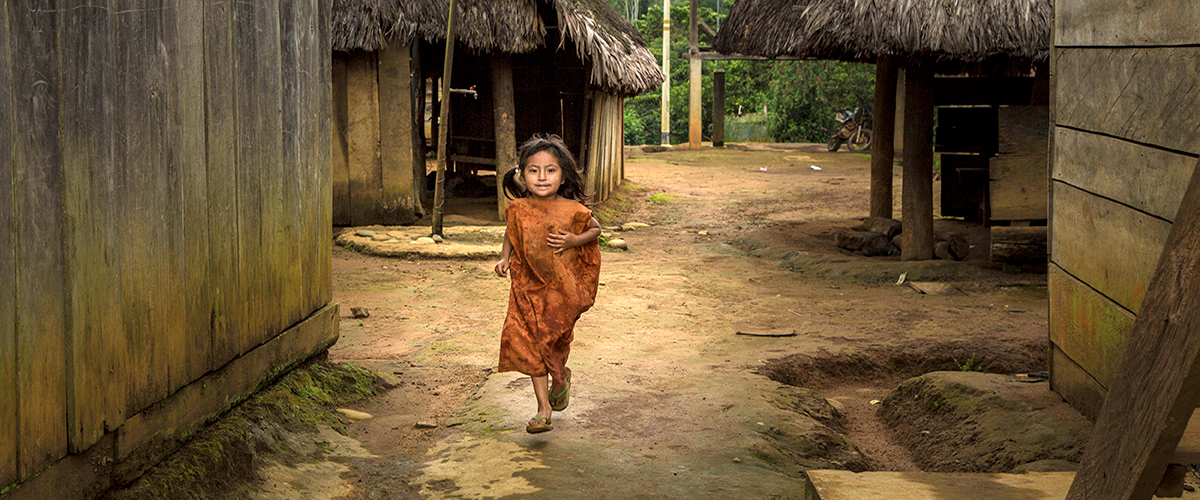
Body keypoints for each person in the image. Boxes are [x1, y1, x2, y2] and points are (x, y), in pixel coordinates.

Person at [494, 134, 601, 434]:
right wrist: (504, 259)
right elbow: (510, 234)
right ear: (522, 174)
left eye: (550, 170)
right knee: (529, 344)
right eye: (533, 170)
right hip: (526, 288)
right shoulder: (518, 209)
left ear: (563, 174)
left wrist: (573, 240)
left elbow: (596, 229)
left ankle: (560, 378)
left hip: (560, 292)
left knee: (554, 343)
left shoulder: (573, 210)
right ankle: (543, 409)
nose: (542, 177)